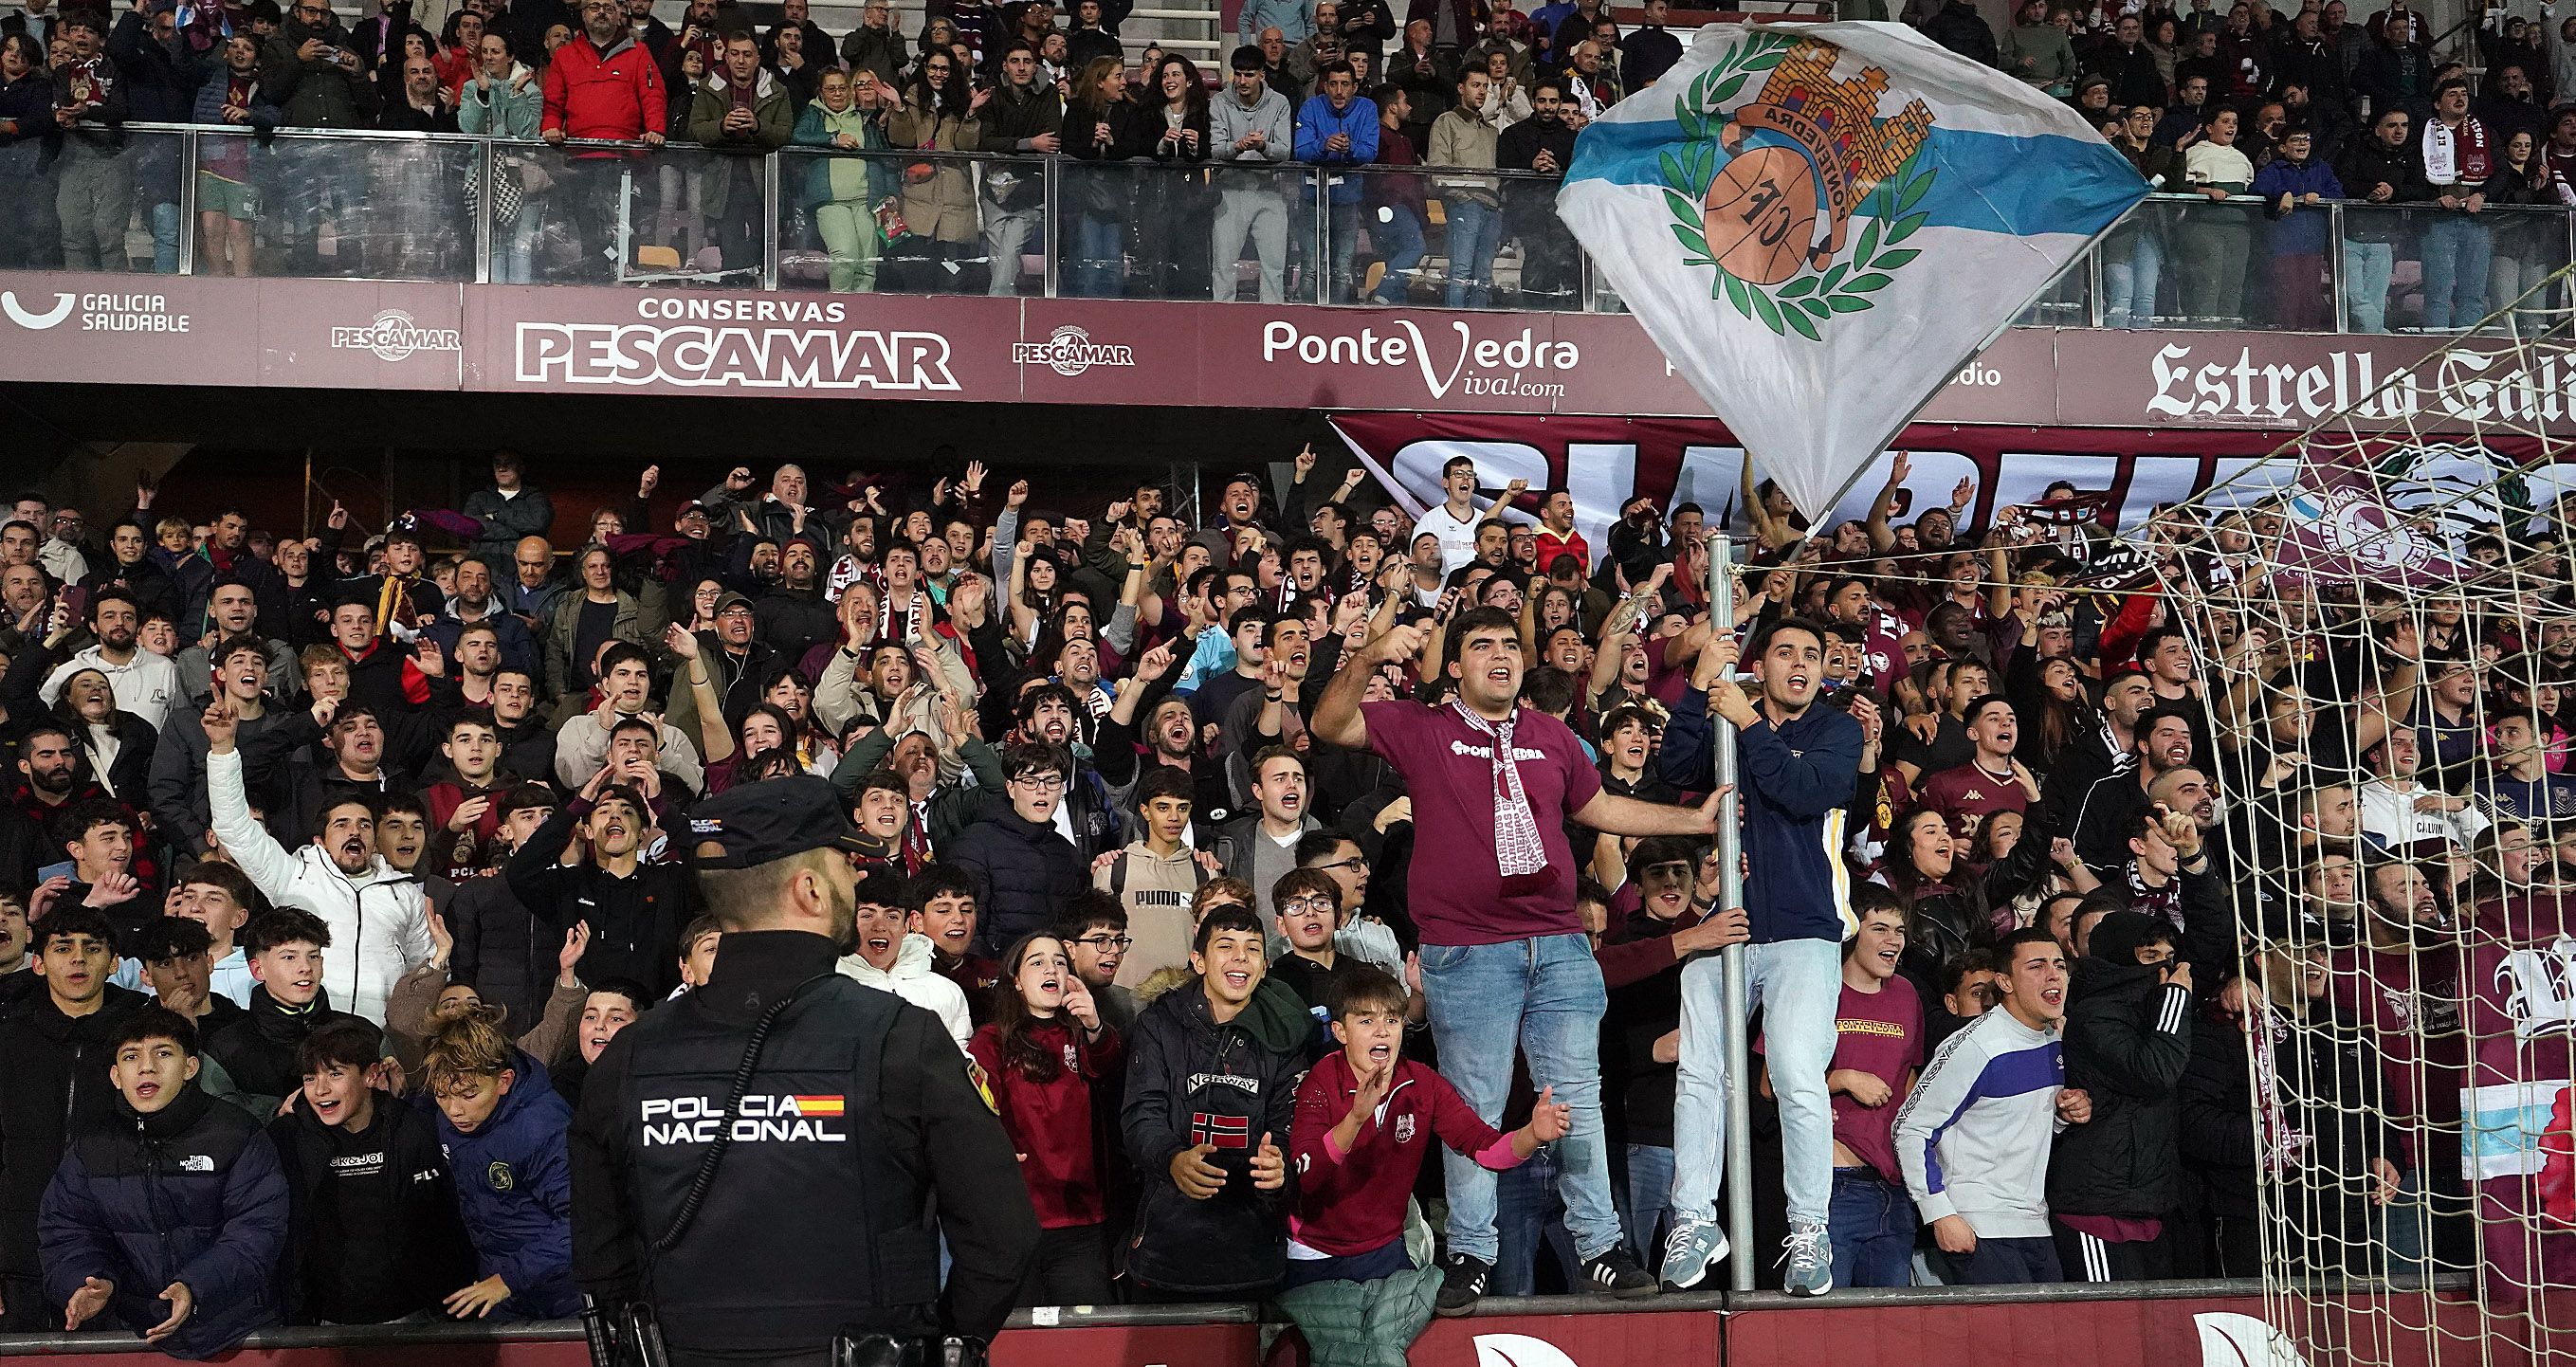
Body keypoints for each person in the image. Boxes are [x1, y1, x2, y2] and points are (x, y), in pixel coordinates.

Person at [1312, 607, 1718, 1311]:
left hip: (1559, 945)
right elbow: (1328, 724)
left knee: (1577, 1100)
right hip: (1467, 952)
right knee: (1474, 1108)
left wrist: (1695, 819)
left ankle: (1598, 1246)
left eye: (1507, 644)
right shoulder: (1424, 727)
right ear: (1455, 665)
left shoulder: (1553, 736)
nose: (1497, 655)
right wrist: (1373, 653)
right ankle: (1471, 1251)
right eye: (1480, 646)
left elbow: (1602, 810)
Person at [571, 775, 1038, 1365]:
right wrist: (928, 1343)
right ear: (811, 890)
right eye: (847, 864)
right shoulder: (902, 1038)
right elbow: (1003, 1239)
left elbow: (597, 1256)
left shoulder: (627, 1056)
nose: (859, 875)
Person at [1651, 616, 1861, 1293]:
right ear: (1760, 664)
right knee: (1700, 1074)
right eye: (1785, 652)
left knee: (1799, 1076)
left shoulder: (1835, 731)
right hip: (1726, 923)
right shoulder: (1727, 717)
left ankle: (1808, 1231)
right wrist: (1697, 682)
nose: (1800, 664)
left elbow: (1802, 791)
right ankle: (1694, 1218)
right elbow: (1675, 766)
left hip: (1803, 931)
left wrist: (1745, 722)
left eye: (1812, 654)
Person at [1279, 966, 1565, 1360]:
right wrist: (1356, 1118)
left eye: (1392, 1020)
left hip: (1385, 1253)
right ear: (1341, 1032)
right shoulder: (1321, 1080)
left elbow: (1483, 1148)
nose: (1382, 1031)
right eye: (1367, 1020)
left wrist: (1532, 1134)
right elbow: (1306, 1176)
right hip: (1315, 1256)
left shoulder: (1421, 1083)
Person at [37, 1007, 289, 1358]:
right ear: (115, 1075)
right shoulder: (91, 1147)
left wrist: (194, 1288)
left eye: (163, 1053)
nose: (146, 1067)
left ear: (190, 1067)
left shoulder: (237, 1133)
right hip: (130, 1336)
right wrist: (89, 1282)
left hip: (235, 1332)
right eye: (131, 1056)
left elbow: (258, 1231)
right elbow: (66, 1230)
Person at [204, 697, 434, 1026]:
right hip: (309, 1035)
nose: (355, 831)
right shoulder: (293, 875)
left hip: (382, 1042)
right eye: (341, 824)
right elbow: (234, 828)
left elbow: (419, 972)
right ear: (320, 840)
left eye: (364, 825)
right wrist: (223, 749)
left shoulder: (405, 892)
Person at [1119, 902, 1306, 1302]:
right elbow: (1141, 1117)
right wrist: (1172, 1160)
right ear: (1198, 961)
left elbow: (1293, 1127)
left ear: (1265, 965)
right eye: (1226, 946)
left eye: (1253, 948)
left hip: (1253, 1257)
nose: (1241, 957)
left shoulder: (1287, 1033)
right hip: (1166, 1251)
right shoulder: (1158, 1024)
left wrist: (1281, 1170)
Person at [1893, 927, 2090, 1285]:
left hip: (2034, 1222)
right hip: (1978, 1222)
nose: (2053, 974)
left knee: (2047, 1338)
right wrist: (1939, 1213)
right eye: (2036, 966)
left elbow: (2009, 1121)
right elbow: (1910, 1127)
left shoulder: (2053, 1039)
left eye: (2059, 964)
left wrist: (2061, 1116)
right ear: (2005, 982)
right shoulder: (1976, 1045)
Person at [268, 1016, 478, 1324]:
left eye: (335, 1074)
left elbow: (449, 1224)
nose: (320, 1090)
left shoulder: (415, 1129)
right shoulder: (287, 1139)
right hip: (325, 1322)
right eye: (310, 1078)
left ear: (371, 1075)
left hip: (415, 1317)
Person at [0, 906, 146, 1332]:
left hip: (119, 1265)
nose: (78, 958)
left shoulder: (145, 1041)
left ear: (114, 962)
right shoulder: (9, 1040)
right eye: (64, 948)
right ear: (39, 962)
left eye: (92, 948)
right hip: (16, 1263)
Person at [966, 932, 1123, 1306]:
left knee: (1084, 1342)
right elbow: (978, 1099)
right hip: (1016, 1219)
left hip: (1081, 1220)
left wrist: (1094, 1026)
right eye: (1037, 961)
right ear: (1016, 981)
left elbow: (1111, 1072)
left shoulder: (1085, 1033)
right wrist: (992, 1140)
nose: (1051, 968)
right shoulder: (991, 1040)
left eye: (1059, 961)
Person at [2046, 911, 2193, 1283]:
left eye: (2168, 957)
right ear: (2119, 957)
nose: (2164, 968)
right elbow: (2155, 1071)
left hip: (2146, 1205)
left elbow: (2211, 939)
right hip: (2097, 1209)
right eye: (2150, 957)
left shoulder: (2153, 1011)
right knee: (2106, 1330)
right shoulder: (2096, 1015)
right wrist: (2175, 997)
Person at [423, 1007, 578, 1321]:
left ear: (504, 1080)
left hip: (563, 1296)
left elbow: (580, 1221)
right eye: (442, 1096)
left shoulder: (542, 1127)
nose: (454, 1111)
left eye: (468, 1095)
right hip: (496, 1289)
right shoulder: (448, 1114)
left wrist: (508, 1280)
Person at [203, 907, 374, 1116]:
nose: (305, 967)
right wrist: (274, 1111)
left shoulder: (366, 1034)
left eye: (313, 956)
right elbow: (216, 1111)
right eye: (289, 958)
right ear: (258, 970)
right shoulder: (225, 1047)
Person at [1215, 45, 1297, 302]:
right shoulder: (1219, 102)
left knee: (1274, 268)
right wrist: (1237, 146)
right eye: (1238, 74)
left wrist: (1263, 146)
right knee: (1223, 265)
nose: (1242, 81)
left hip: (1269, 191)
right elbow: (1216, 149)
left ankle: (1272, 324)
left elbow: (1285, 150)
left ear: (1262, 74)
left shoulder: (1279, 103)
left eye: (1249, 74)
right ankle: (1222, 320)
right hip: (1229, 190)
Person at [2416, 76, 2495, 331]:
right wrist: (2435, 198)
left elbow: (2501, 173)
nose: (2460, 97)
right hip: (2439, 220)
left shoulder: (2483, 132)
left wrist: (2482, 195)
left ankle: (2467, 347)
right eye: (2452, 94)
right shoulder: (2423, 133)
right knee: (2438, 291)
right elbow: (2411, 174)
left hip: (2476, 220)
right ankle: (2437, 347)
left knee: (2473, 293)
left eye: (2464, 93)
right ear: (2438, 104)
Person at [2250, 126, 2342, 331]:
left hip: (2313, 243)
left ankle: (2309, 339)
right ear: (2283, 147)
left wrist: (2318, 194)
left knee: (2310, 293)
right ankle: (2286, 336)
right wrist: (2284, 193)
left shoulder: (2320, 168)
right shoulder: (2275, 169)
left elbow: (2339, 192)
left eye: (2306, 139)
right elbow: (2257, 188)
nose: (2302, 143)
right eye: (2296, 140)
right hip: (2282, 243)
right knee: (2287, 292)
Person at [1427, 65, 1500, 309]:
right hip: (1465, 204)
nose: (1481, 91)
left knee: (1484, 276)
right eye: (1475, 85)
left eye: (1485, 87)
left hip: (1491, 206)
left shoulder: (1491, 131)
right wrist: (1463, 197)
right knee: (1461, 271)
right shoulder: (1446, 122)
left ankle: (1478, 328)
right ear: (1461, 88)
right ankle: (1454, 327)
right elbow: (1437, 169)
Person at [2174, 105, 2254, 325]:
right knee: (2208, 282)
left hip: (2238, 227)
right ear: (2210, 127)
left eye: (2234, 122)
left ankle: (2228, 334)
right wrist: (2207, 191)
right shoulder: (2196, 152)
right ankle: (2205, 332)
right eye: (2225, 121)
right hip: (2205, 224)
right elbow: (2180, 186)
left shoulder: (2242, 158)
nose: (2231, 126)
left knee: (2233, 284)